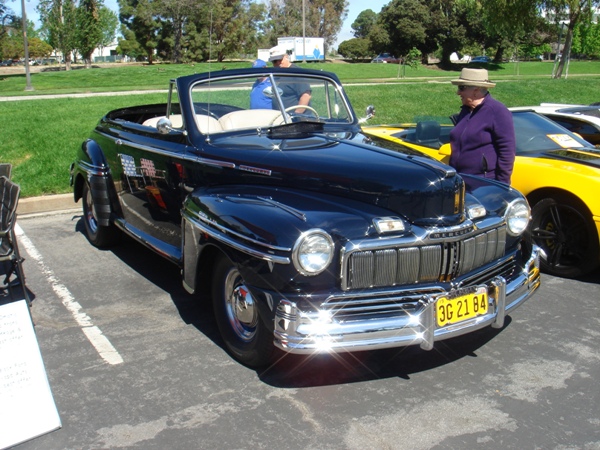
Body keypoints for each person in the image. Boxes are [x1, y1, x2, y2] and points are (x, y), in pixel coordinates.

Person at [448, 68, 516, 184]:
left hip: (484, 182)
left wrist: (502, 185)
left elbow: (507, 151)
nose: (458, 92)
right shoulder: (465, 111)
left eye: (461, 88)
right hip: (459, 179)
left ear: (476, 90)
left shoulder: (497, 111)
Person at [268, 45, 311, 113]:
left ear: (286, 57)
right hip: (280, 116)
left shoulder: (296, 72)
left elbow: (305, 96)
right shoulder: (275, 74)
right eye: (274, 61)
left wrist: (296, 115)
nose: (278, 63)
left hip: (296, 117)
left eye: (280, 60)